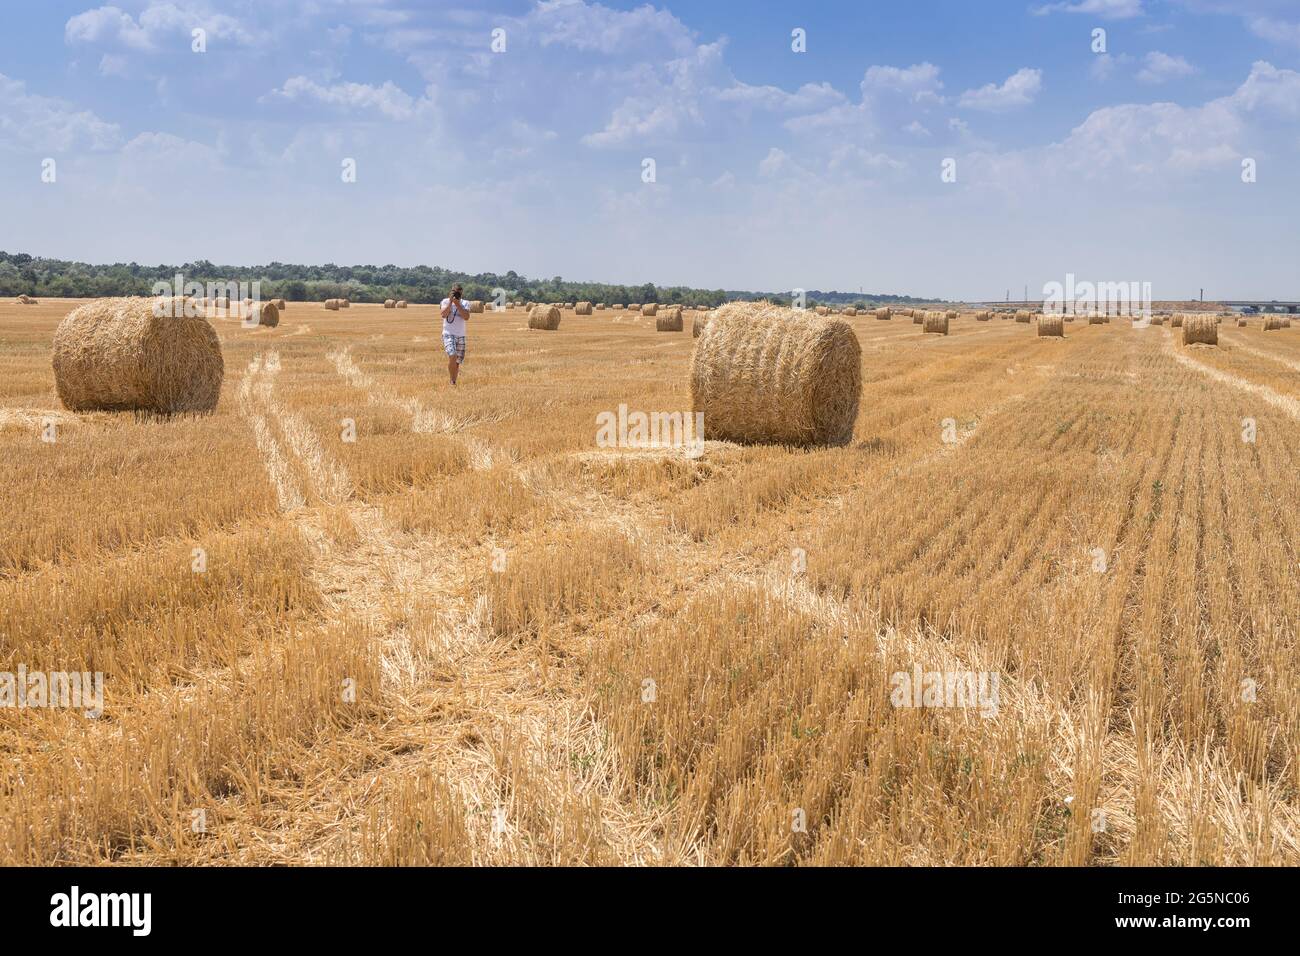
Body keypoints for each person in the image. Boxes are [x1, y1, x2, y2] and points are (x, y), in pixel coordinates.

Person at [439, 283, 470, 386]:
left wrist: (457, 304)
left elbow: (466, 317)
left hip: (460, 335)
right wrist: (450, 302)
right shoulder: (445, 301)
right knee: (452, 355)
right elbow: (443, 314)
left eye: (458, 292)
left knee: (457, 362)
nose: (457, 293)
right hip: (448, 334)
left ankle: (453, 381)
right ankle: (452, 382)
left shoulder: (465, 303)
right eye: (455, 291)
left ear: (462, 293)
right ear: (451, 291)